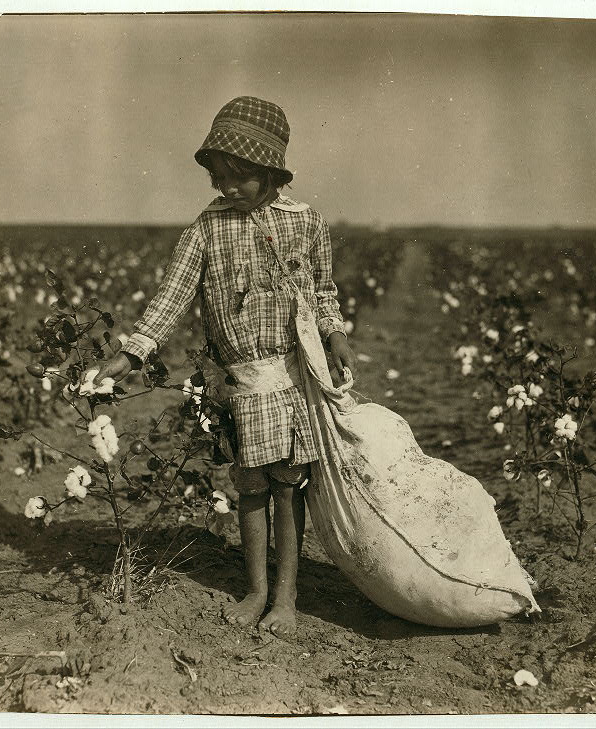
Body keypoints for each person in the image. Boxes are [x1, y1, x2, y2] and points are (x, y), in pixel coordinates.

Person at [98, 96, 355, 636]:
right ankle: (256, 588)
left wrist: (334, 334)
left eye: (238, 178)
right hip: (243, 378)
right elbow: (171, 296)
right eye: (218, 178)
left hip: (295, 373)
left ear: (269, 173)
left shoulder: (306, 223)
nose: (226, 189)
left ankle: (285, 597)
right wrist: (132, 351)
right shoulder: (207, 229)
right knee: (250, 486)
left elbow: (323, 289)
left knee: (289, 486)